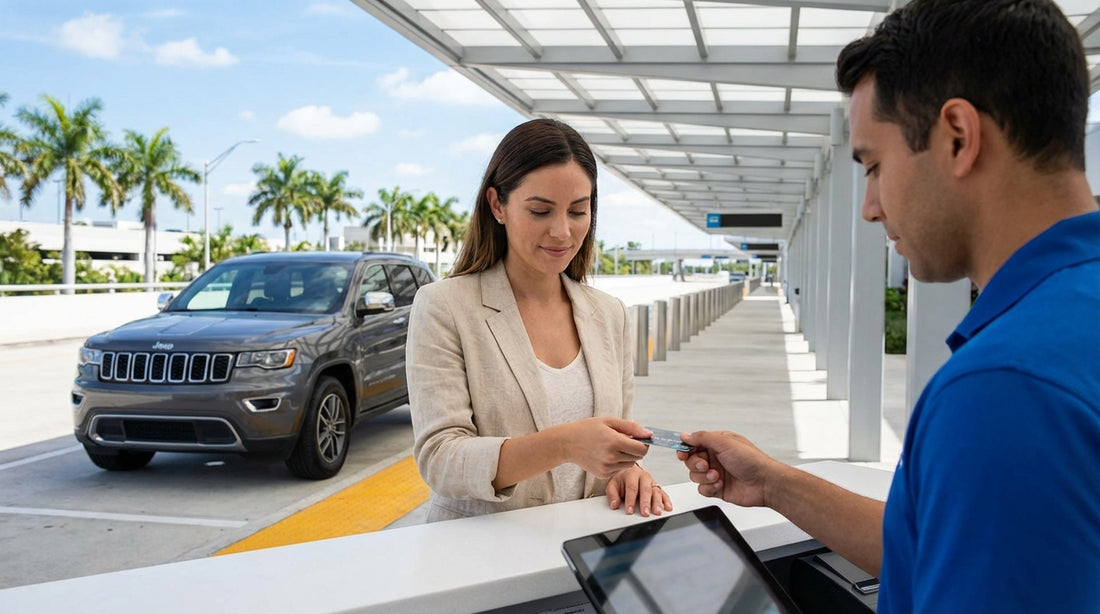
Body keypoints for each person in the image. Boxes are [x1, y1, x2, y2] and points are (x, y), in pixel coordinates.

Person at [678, 1, 1100, 612]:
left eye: (874, 166)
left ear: (958, 137)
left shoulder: (1004, 388)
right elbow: (940, 546)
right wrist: (773, 483)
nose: (869, 207)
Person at [406, 118, 672, 522]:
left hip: (586, 551)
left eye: (578, 211)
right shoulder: (444, 306)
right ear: (497, 205)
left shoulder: (609, 314)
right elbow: (440, 459)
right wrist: (563, 445)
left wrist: (628, 471)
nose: (562, 232)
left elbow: (616, 441)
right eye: (540, 210)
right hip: (478, 559)